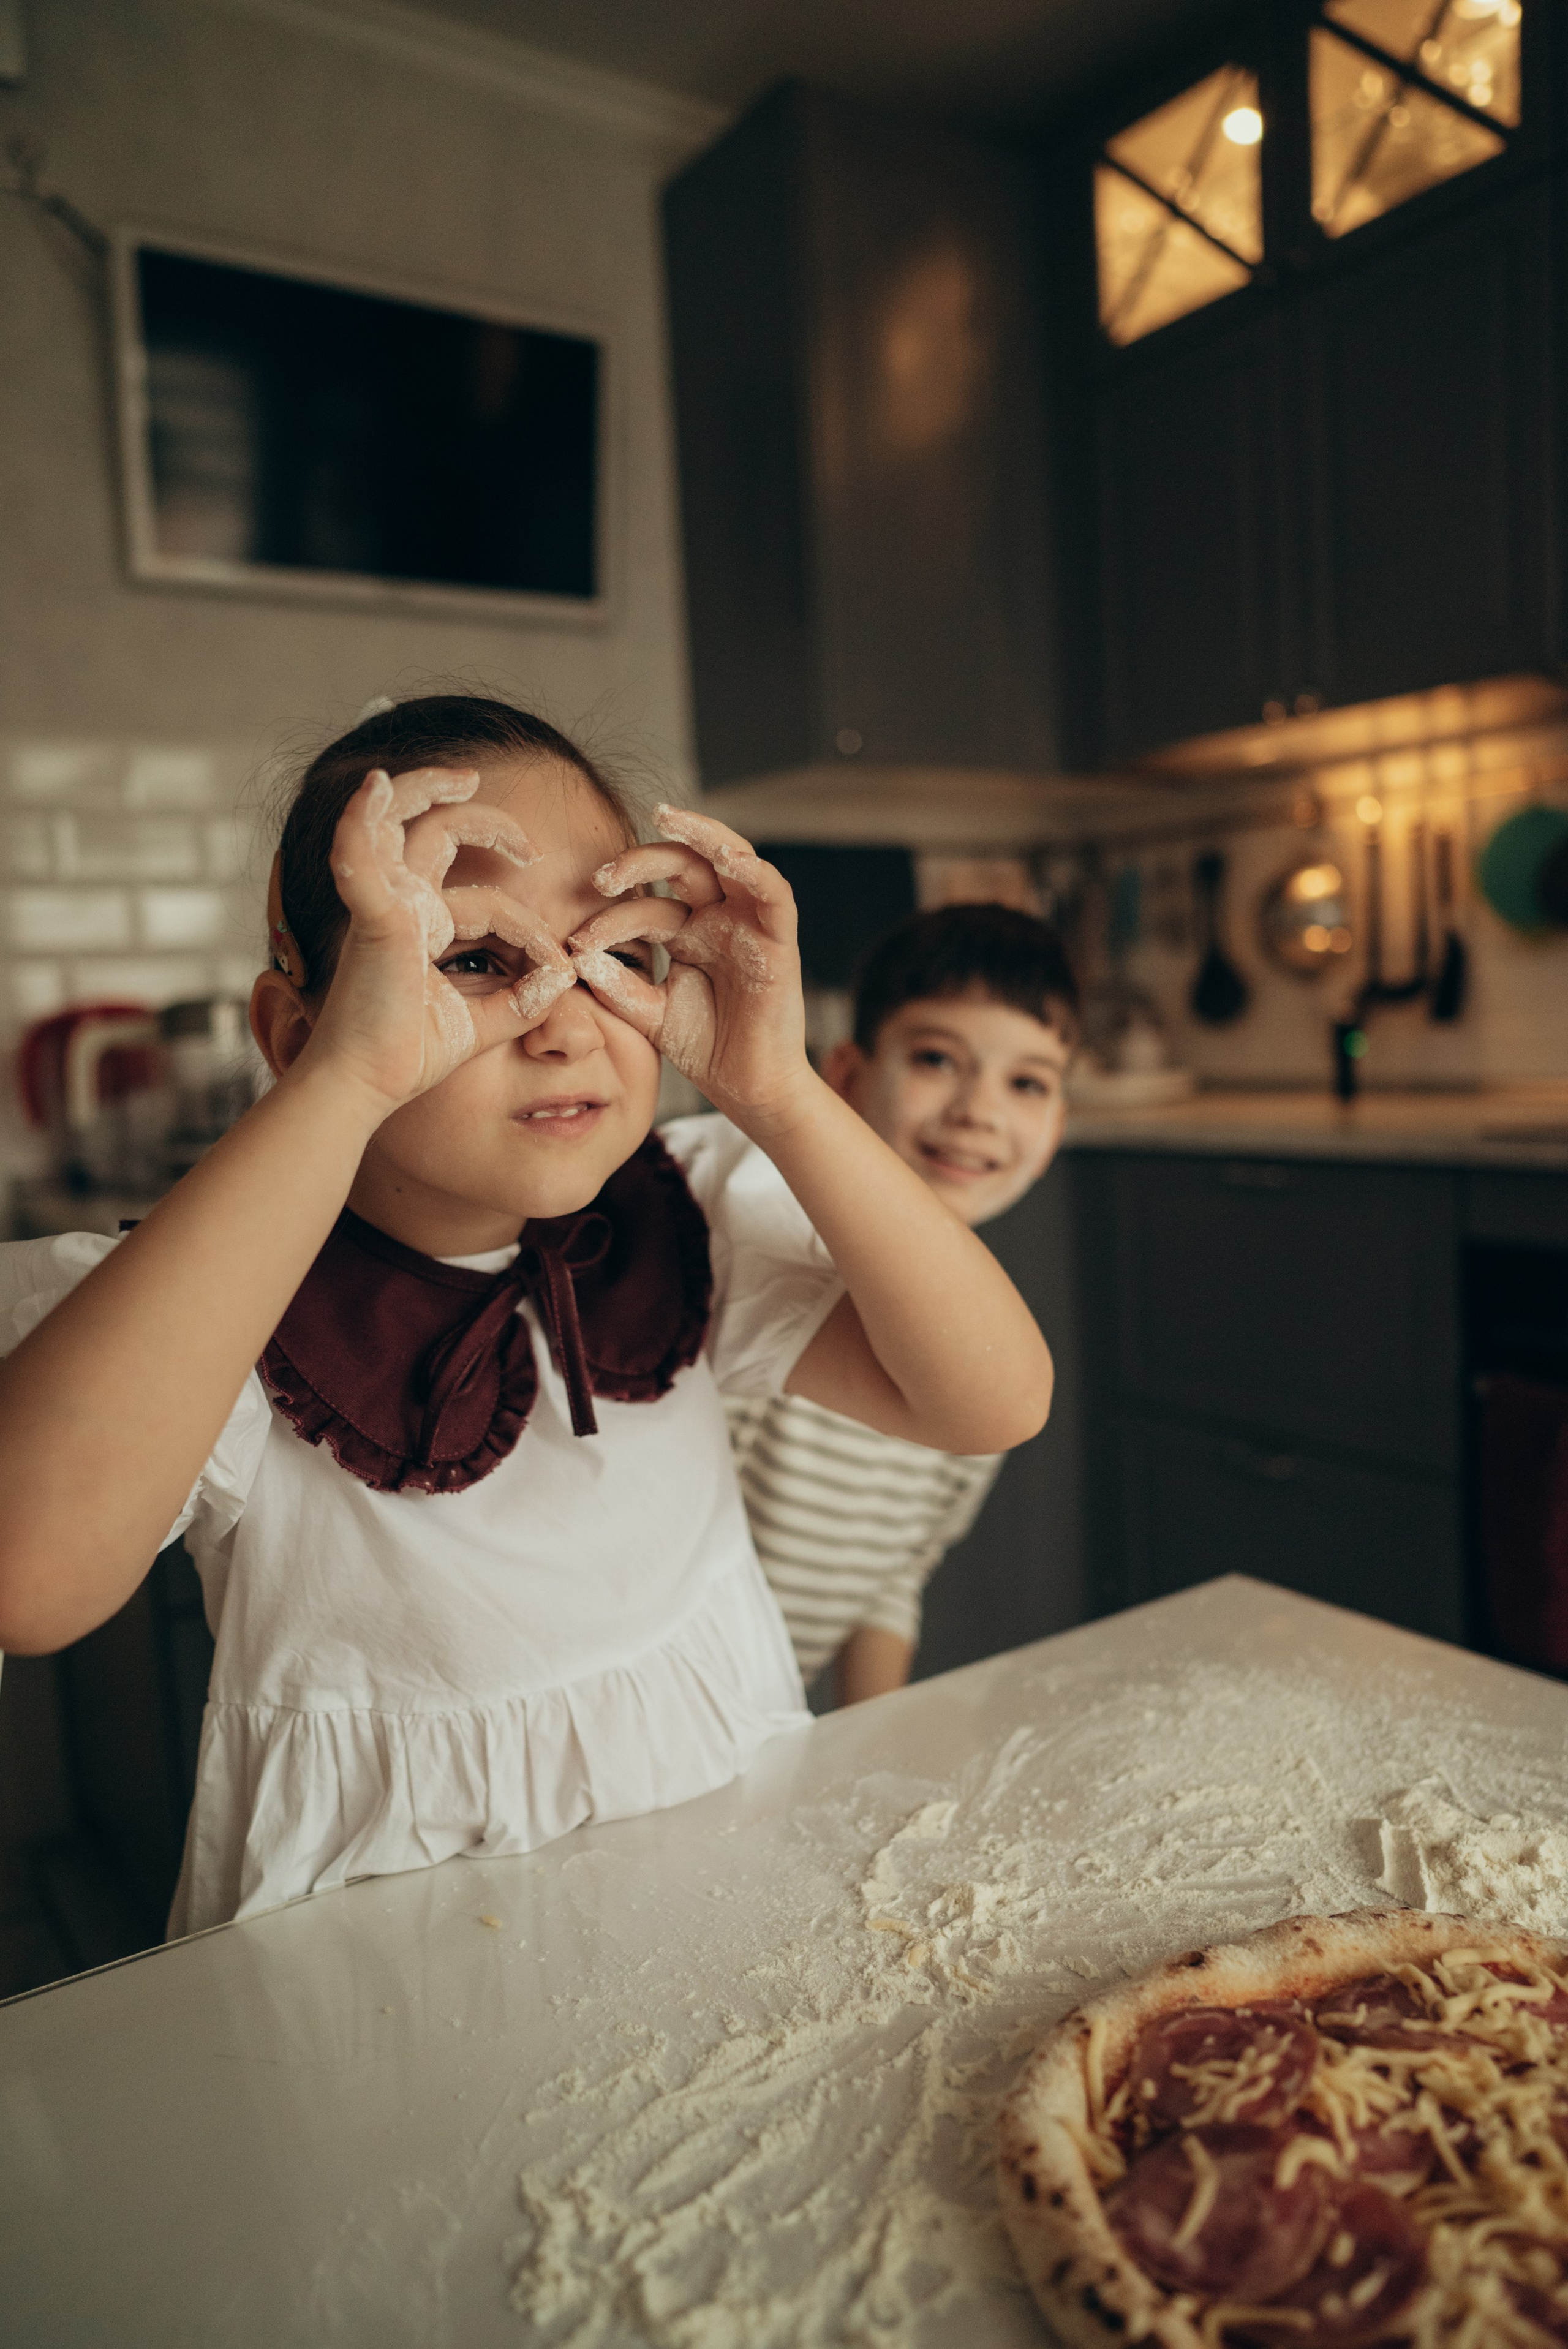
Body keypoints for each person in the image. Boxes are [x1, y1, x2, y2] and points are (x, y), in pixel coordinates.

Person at [0, 696, 1052, 1937]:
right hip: (389, 1973)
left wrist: (776, 1089)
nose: (563, 1022)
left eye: (616, 957)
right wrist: (348, 1082)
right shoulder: (220, 1303)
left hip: (723, 1897)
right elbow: (31, 1578)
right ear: (295, 1034)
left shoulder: (695, 1216)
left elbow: (990, 1401)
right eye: (472, 960)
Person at [726, 904, 1078, 1708]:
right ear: (846, 1079)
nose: (979, 1111)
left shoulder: (987, 1350)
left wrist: (870, 1731)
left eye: (1026, 1083)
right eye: (936, 1059)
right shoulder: (772, 1269)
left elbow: (893, 1574)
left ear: (1055, 1129)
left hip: (773, 1717)